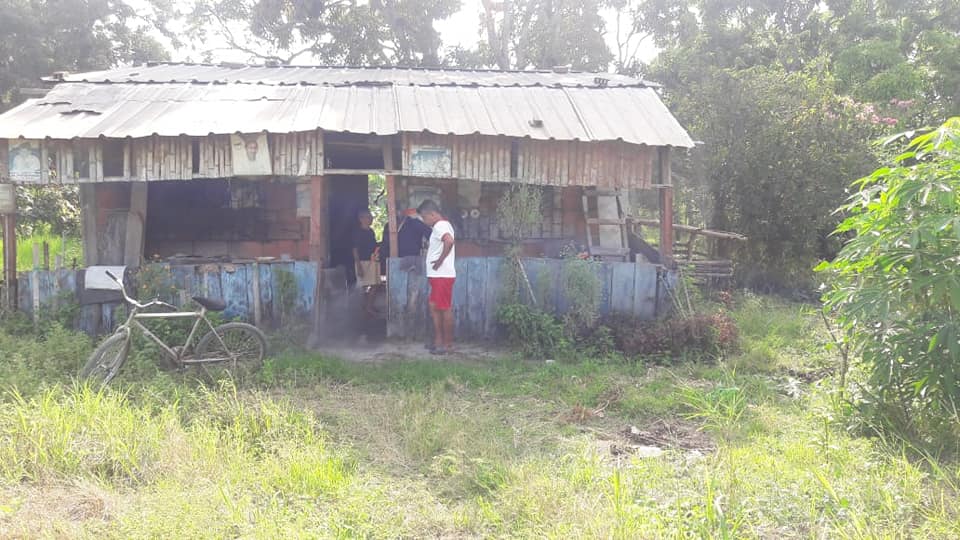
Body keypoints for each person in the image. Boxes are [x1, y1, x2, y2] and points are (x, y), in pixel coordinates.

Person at [417, 199, 456, 354]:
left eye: (424, 217)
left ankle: (447, 345)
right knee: (434, 307)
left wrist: (439, 261)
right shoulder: (442, 226)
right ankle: (438, 341)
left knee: (444, 308)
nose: (424, 221)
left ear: (432, 214)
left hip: (442, 276)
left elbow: (449, 241)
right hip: (438, 276)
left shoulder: (440, 225)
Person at [380, 207, 432, 273]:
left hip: (412, 265)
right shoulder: (388, 226)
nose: (395, 214)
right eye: (390, 212)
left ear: (403, 211)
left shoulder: (414, 223)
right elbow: (384, 246)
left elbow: (431, 236)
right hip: (393, 265)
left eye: (397, 211)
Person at [352, 209, 379, 317]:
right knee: (363, 286)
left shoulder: (371, 231)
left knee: (375, 284)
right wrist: (358, 265)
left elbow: (374, 245)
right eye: (368, 217)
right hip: (362, 262)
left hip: (372, 260)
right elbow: (355, 249)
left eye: (371, 217)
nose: (371, 219)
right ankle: (365, 308)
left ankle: (368, 306)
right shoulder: (358, 232)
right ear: (361, 219)